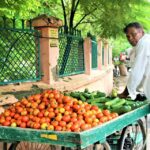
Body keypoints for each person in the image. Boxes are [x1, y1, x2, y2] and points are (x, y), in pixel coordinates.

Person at [118, 22, 150, 100]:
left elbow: (137, 70)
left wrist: (126, 92)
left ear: (141, 32)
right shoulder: (140, 44)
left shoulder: (144, 43)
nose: (131, 38)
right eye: (128, 36)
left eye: (134, 34)